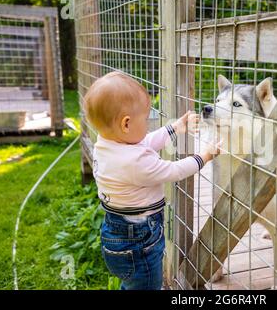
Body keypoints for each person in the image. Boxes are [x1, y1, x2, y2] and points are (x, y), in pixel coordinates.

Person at [83, 71, 220, 289]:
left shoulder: (107, 143)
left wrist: (174, 128)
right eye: (146, 120)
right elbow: (174, 170)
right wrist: (204, 156)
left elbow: (145, 142)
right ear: (126, 124)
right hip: (140, 242)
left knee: (133, 284)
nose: (148, 125)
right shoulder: (135, 162)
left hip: (116, 234)